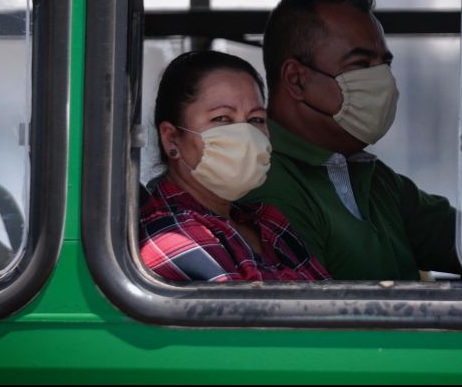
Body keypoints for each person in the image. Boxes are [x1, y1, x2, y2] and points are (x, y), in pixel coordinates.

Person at [243, 0, 462, 281]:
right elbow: (313, 316)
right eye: (360, 64)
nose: (383, 80)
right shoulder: (265, 182)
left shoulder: (371, 176)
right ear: (297, 80)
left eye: (384, 64)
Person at [139, 50, 329, 282]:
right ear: (171, 138)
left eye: (256, 120)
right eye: (222, 119)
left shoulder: (266, 221)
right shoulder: (172, 235)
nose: (246, 135)